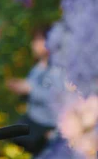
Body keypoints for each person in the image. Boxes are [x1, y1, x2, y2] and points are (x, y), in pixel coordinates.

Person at [6, 28, 64, 156]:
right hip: (36, 133)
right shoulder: (37, 67)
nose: (34, 44)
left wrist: (30, 89)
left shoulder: (58, 69)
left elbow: (58, 97)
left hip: (50, 134)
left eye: (38, 40)